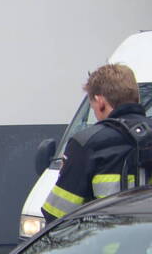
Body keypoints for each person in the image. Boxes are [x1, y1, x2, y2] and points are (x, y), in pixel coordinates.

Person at [42, 63, 147, 223]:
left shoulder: (87, 143)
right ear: (137, 98)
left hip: (110, 245)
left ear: (100, 102)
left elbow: (57, 214)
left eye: (93, 108)